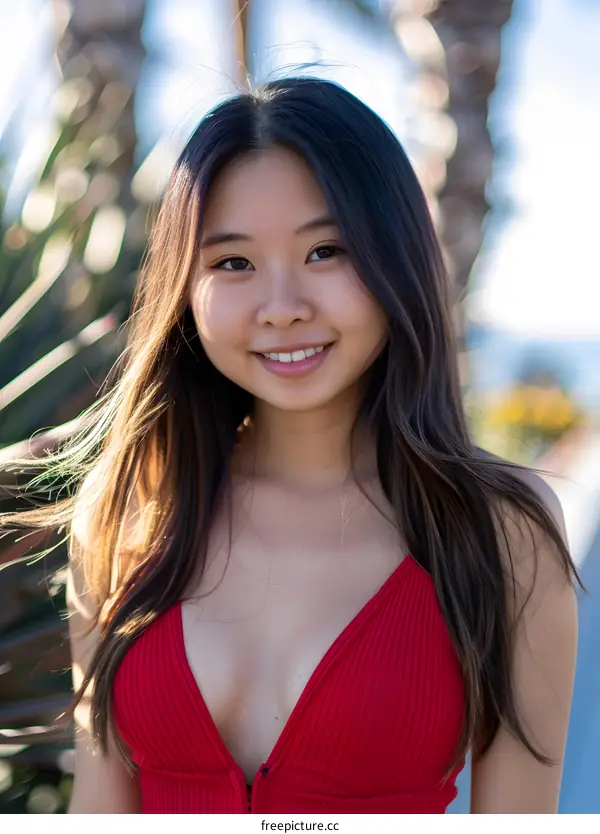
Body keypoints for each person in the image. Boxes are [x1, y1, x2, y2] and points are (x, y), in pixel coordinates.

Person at [1, 77, 579, 814]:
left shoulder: (503, 534)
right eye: (233, 263)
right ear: (185, 289)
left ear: (397, 257)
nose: (282, 309)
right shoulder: (126, 514)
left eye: (326, 250)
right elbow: (100, 811)